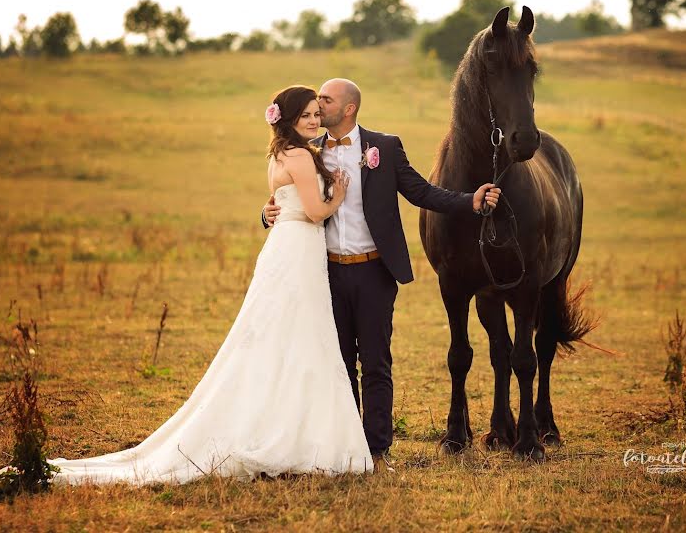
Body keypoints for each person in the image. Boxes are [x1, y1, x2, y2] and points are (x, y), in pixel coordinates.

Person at [46, 86, 373, 485]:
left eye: (315, 114)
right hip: (300, 250)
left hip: (285, 250)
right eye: (305, 115)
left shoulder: (279, 155)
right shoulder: (302, 155)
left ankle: (283, 421)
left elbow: (281, 203)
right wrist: (336, 195)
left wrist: (272, 212)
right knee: (301, 335)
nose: (314, 120)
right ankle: (293, 431)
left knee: (283, 336)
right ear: (286, 119)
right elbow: (314, 212)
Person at [262, 79, 500, 472]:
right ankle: (342, 447)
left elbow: (422, 192)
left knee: (376, 363)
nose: (319, 106)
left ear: (349, 108)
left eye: (326, 99)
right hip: (325, 275)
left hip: (374, 271)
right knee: (336, 364)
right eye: (316, 100)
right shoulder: (309, 149)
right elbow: (287, 197)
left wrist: (469, 200)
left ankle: (376, 451)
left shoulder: (384, 148)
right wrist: (266, 214)